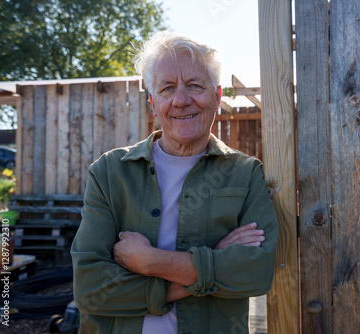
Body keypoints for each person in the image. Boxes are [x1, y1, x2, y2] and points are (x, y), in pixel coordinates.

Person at [71, 31, 279, 334]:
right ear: (153, 103)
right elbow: (90, 289)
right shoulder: (109, 172)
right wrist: (214, 262)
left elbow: (256, 272)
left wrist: (150, 261)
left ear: (217, 97)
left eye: (195, 85)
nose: (181, 100)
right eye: (168, 89)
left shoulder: (246, 174)